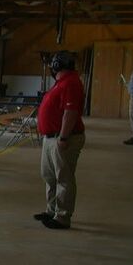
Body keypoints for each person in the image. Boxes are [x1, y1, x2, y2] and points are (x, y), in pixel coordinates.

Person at [33, 50, 86, 230]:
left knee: (63, 177)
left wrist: (63, 137)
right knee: (49, 176)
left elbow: (70, 113)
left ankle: (62, 216)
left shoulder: (71, 83)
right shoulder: (61, 82)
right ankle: (52, 210)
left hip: (63, 137)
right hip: (51, 137)